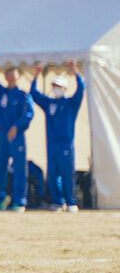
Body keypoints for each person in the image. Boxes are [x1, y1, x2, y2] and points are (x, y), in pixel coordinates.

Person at [31, 61, 85, 212]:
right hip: (52, 144)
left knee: (67, 173)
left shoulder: (71, 104)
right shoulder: (49, 104)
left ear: (65, 88)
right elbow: (34, 94)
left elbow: (81, 89)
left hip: (66, 144)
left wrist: (75, 72)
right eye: (54, 86)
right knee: (53, 174)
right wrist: (36, 75)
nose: (56, 89)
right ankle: (58, 201)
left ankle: (71, 202)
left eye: (59, 86)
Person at [0, 50, 35, 211]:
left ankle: (19, 201)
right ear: (6, 77)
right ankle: (0, 199)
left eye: (15, 75)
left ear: (18, 77)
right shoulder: (2, 93)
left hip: (17, 135)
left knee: (20, 168)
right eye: (9, 75)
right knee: (0, 166)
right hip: (2, 133)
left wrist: (17, 127)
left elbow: (28, 114)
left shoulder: (23, 95)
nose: (12, 78)